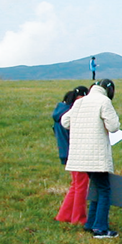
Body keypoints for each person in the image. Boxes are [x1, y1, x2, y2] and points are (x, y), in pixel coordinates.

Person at [60, 78, 120, 239]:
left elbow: (65, 121)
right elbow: (114, 126)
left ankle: (90, 223)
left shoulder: (81, 102)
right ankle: (100, 228)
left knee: (96, 188)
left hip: (80, 155)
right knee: (105, 190)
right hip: (96, 154)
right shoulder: (104, 101)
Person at [53, 86, 90, 225]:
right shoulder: (71, 114)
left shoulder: (60, 112)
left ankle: (64, 215)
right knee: (81, 185)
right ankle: (79, 218)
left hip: (66, 152)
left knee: (76, 185)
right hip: (75, 153)